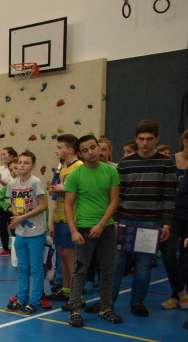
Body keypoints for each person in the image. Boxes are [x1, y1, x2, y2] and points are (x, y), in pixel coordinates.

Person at [87, 120, 177, 317]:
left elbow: (169, 195)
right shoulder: (126, 163)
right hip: (126, 220)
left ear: (157, 139)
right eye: (141, 139)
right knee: (116, 264)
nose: (145, 143)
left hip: (151, 222)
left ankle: (137, 302)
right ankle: (107, 302)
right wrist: (116, 220)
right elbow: (118, 196)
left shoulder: (167, 162)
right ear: (136, 139)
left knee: (143, 266)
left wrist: (167, 223)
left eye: (149, 139)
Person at [63, 135, 121, 327]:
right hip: (84, 231)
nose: (91, 152)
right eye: (85, 150)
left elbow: (114, 200)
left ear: (99, 147)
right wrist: (73, 231)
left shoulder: (111, 171)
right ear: (80, 154)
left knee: (108, 269)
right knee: (79, 270)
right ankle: (75, 310)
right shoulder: (75, 175)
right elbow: (68, 205)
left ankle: (106, 308)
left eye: (93, 147)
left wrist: (102, 224)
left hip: (106, 230)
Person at [6, 151, 48, 315]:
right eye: (20, 163)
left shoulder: (35, 182)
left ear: (33, 166)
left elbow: (43, 205)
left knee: (36, 268)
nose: (22, 165)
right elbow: (12, 203)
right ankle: (22, 298)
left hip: (36, 232)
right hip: (21, 233)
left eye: (26, 163)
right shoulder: (13, 184)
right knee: (22, 267)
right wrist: (16, 215)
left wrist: (23, 217)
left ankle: (35, 301)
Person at [47, 134, 82, 302]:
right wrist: (56, 189)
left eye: (59, 148)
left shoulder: (79, 167)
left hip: (72, 218)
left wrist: (64, 188)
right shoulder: (64, 169)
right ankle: (67, 289)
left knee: (70, 255)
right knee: (62, 253)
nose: (56, 151)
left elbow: (82, 190)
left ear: (70, 150)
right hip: (60, 216)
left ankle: (77, 294)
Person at [160, 129, 188, 310]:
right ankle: (181, 290)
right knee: (168, 253)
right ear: (185, 141)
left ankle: (176, 296)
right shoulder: (170, 160)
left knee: (185, 259)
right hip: (172, 215)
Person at [0, 146, 17, 257]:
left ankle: (16, 248)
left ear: (11, 156)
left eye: (4, 154)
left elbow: (11, 185)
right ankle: (5, 248)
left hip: (11, 205)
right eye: (1, 154)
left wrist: (0, 179)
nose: (1, 156)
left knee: (13, 227)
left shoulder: (13, 170)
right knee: (2, 227)